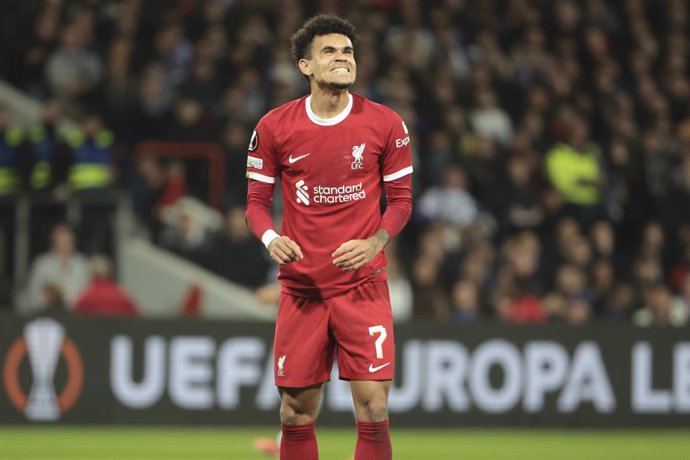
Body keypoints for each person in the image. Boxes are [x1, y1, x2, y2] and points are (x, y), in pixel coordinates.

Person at [245, 15, 413, 460]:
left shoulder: (386, 124)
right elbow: (255, 206)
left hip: (363, 285)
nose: (342, 59)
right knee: (295, 413)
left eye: (348, 52)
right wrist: (269, 239)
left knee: (374, 408)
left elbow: (401, 201)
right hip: (303, 289)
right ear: (306, 66)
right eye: (330, 52)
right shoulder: (274, 128)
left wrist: (375, 243)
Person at [72, 254, 139, 316]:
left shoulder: (86, 295)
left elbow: (73, 315)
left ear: (92, 274)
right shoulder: (123, 294)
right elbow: (138, 314)